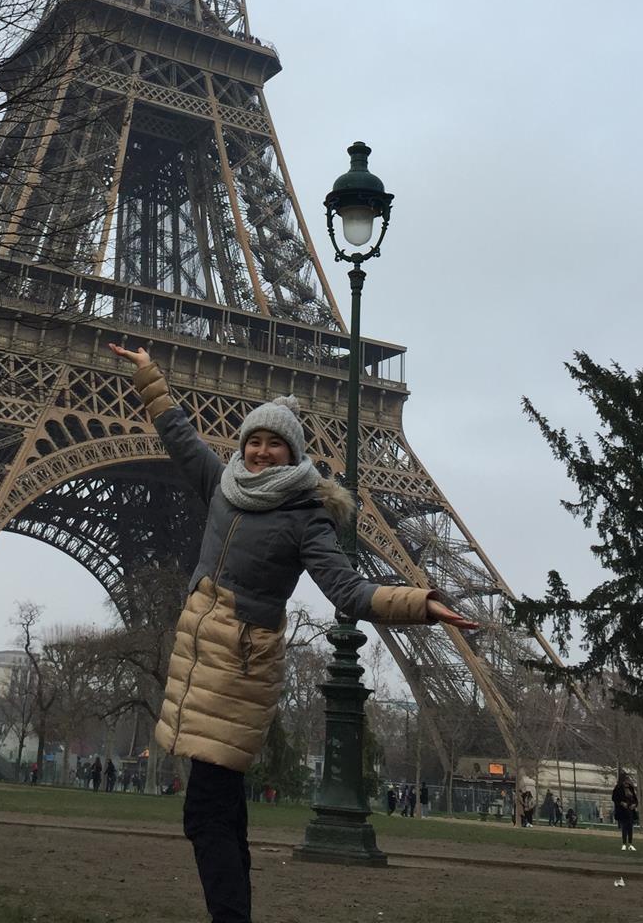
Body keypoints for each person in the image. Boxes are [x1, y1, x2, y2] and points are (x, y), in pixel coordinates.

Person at [107, 344, 478, 923]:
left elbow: (349, 590)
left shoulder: (306, 516)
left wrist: (422, 603)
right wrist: (149, 375)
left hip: (238, 670)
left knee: (205, 815)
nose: (260, 451)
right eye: (253, 440)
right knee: (222, 813)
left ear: (293, 452)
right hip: (200, 664)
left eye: (273, 443)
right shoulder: (223, 485)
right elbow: (179, 435)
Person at [611, 774, 638, 851]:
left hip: (630, 810)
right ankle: (624, 843)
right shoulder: (618, 788)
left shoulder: (631, 788)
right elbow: (614, 798)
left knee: (630, 827)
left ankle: (630, 843)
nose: (627, 782)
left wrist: (634, 804)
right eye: (625, 780)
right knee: (624, 827)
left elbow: (635, 799)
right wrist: (622, 803)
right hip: (622, 810)